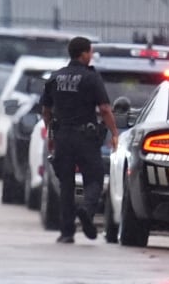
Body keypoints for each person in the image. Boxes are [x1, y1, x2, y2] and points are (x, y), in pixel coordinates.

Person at [39, 36, 119, 244]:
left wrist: (51, 135)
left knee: (66, 184)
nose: (91, 56)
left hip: (63, 136)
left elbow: (46, 111)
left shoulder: (55, 77)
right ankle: (87, 209)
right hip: (85, 137)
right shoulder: (91, 78)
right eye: (90, 52)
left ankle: (66, 233)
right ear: (83, 54)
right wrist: (114, 132)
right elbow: (104, 109)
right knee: (94, 178)